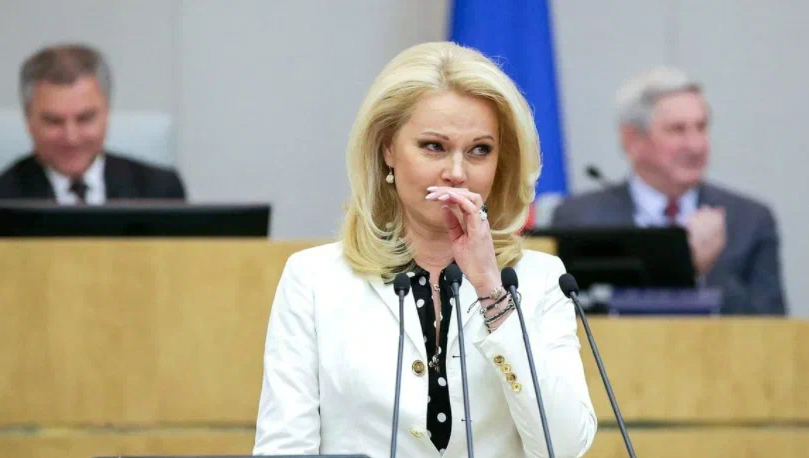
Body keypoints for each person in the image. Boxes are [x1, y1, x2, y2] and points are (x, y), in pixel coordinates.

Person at [253, 42, 597, 458]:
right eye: (434, 146)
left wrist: (492, 292)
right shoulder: (314, 279)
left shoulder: (541, 279)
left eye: (480, 150)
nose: (456, 172)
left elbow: (564, 448)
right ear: (387, 149)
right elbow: (284, 447)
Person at [551, 67, 786, 315]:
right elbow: (566, 320)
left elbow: (773, 327)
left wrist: (705, 273)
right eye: (677, 130)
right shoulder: (580, 219)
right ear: (633, 140)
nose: (696, 145)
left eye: (701, 127)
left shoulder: (749, 219)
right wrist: (683, 271)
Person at [0, 43, 186, 204]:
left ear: (107, 113)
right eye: (54, 121)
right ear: (28, 120)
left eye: (85, 119)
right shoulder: (5, 196)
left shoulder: (159, 190)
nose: (71, 138)